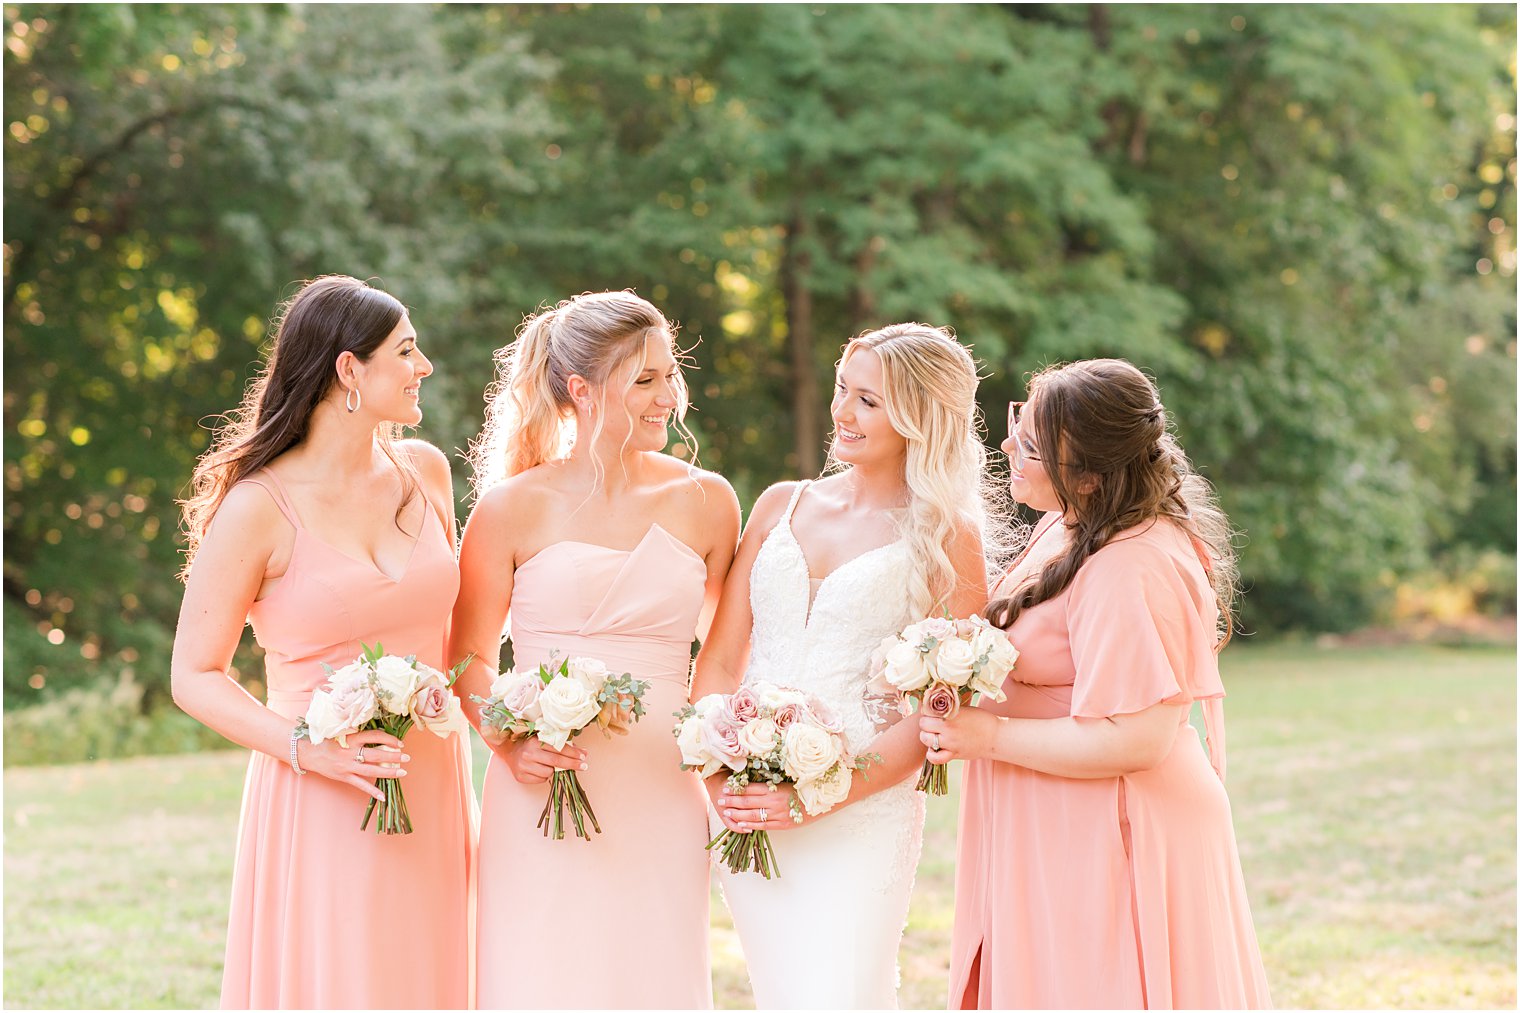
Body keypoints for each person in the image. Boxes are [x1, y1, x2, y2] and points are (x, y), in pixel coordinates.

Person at [920, 358, 1272, 1009]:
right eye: (1015, 426)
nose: (1006, 448)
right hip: (1057, 818)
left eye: (1029, 444)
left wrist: (988, 733)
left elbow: (1137, 738)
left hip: (1117, 829)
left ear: (1087, 473)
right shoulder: (1068, 525)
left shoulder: (1130, 564)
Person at [171, 275, 474, 1009]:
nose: (423, 365)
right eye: (406, 351)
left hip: (432, 781)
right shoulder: (257, 506)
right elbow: (195, 674)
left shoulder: (425, 472)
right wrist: (309, 746)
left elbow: (455, 635)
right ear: (349, 369)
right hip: (320, 791)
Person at [690, 323, 998, 1009]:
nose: (842, 413)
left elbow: (936, 717)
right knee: (780, 990)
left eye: (868, 401)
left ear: (919, 417)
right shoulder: (779, 505)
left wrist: (812, 796)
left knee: (840, 992)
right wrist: (720, 778)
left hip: (862, 817)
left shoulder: (947, 537)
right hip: (748, 810)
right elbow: (717, 661)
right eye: (842, 390)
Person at [449, 290, 740, 1009]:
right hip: (542, 788)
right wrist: (509, 741)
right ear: (580, 389)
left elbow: (727, 657)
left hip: (664, 788)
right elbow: (468, 659)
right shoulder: (511, 506)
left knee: (654, 974)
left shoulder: (709, 501)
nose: (668, 396)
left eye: (670, 375)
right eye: (644, 380)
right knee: (541, 974)